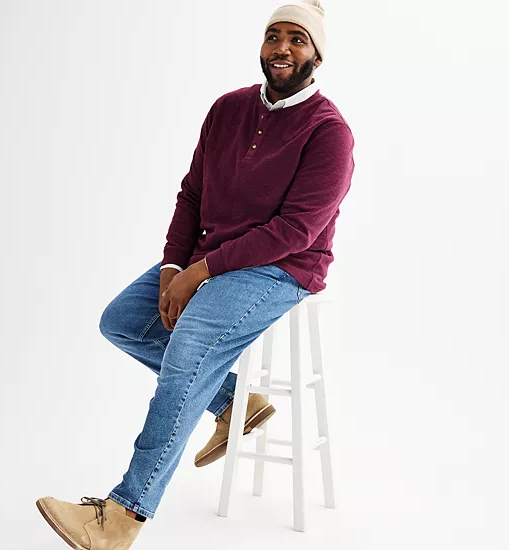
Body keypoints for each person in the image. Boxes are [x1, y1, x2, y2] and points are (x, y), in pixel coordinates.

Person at [35, 1, 355, 548]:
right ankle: (233, 402)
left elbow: (295, 231)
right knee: (123, 321)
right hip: (214, 255)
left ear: (316, 56)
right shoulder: (227, 109)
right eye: (273, 35)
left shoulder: (330, 132)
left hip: (282, 267)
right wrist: (173, 268)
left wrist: (200, 271)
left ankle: (123, 515)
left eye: (297, 39)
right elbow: (193, 195)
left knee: (188, 351)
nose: (281, 47)